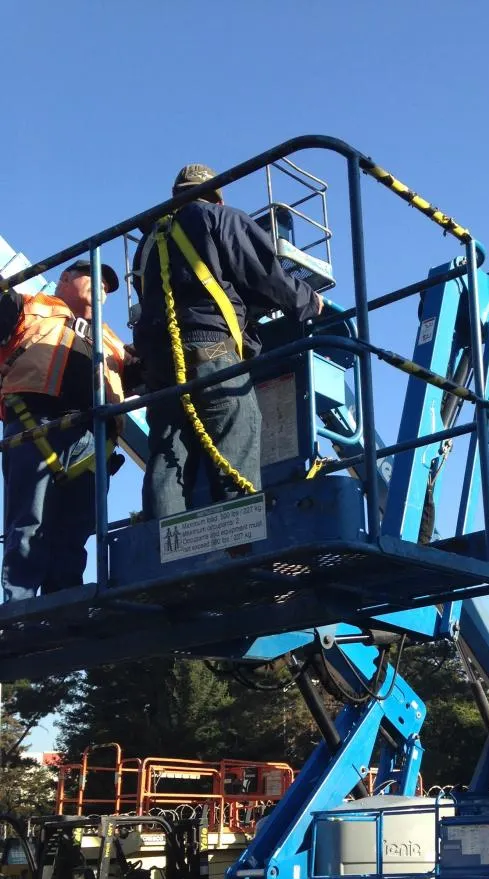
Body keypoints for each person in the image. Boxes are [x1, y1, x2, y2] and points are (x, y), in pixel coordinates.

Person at [132, 163, 324, 520]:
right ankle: (240, 550)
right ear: (216, 197)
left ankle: (164, 557)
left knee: (168, 455)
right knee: (239, 434)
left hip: (160, 365)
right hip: (211, 351)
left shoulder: (145, 244)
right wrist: (307, 301)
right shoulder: (219, 219)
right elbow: (265, 273)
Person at [0, 260, 132, 603]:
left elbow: (150, 369)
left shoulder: (113, 341)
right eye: (94, 277)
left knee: (74, 535)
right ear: (65, 278)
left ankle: (64, 609)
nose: (101, 287)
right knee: (28, 529)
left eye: (107, 286)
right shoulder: (27, 307)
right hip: (36, 427)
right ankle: (20, 614)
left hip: (93, 444)